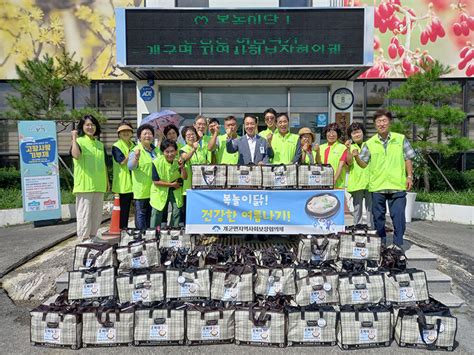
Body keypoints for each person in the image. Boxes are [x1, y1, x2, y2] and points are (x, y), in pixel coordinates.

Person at [352, 109, 415, 248]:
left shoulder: (400, 139)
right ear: (375, 125)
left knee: (398, 217)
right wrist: (356, 157)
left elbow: (408, 158)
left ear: (389, 122)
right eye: (378, 121)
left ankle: (398, 244)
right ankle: (381, 243)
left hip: (397, 184)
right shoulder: (370, 143)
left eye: (384, 121)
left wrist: (409, 176)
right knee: (378, 218)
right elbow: (363, 164)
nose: (381, 124)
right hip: (378, 186)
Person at [71, 115, 108, 241]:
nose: (90, 127)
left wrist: (107, 182)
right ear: (82, 126)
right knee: (84, 213)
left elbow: (103, 164)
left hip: (99, 184)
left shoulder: (99, 144)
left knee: (96, 214)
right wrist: (74, 138)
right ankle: (84, 237)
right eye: (87, 124)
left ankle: (93, 235)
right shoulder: (79, 141)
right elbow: (75, 155)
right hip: (85, 185)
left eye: (92, 124)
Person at [128, 124, 160, 231]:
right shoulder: (136, 150)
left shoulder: (155, 151)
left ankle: (149, 238)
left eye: (150, 133)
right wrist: (136, 158)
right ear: (139, 137)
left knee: (150, 215)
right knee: (141, 214)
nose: (148, 136)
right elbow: (130, 166)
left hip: (154, 189)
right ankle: (141, 237)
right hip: (141, 190)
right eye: (145, 133)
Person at [150, 139, 187, 228]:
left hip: (175, 190)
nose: (170, 154)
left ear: (176, 151)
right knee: (157, 212)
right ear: (163, 152)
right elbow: (155, 181)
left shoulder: (178, 161)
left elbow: (185, 177)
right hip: (160, 190)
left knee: (176, 211)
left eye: (172, 151)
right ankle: (154, 233)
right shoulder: (156, 162)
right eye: (167, 152)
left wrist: (182, 168)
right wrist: (171, 185)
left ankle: (174, 232)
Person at [345, 122, 373, 228]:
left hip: (370, 181)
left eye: (358, 132)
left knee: (370, 207)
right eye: (353, 133)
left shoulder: (370, 145)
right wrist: (348, 149)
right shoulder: (350, 147)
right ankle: (357, 227)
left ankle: (371, 227)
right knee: (357, 207)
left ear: (363, 132)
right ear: (350, 136)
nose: (356, 135)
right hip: (356, 181)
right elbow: (349, 162)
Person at [180, 126, 209, 221]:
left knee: (200, 211)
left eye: (192, 134)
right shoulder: (183, 149)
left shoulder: (201, 149)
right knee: (189, 213)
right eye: (187, 135)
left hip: (202, 186)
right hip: (189, 186)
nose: (191, 136)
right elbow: (185, 158)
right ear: (184, 138)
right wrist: (193, 149)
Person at [111, 122, 135, 230]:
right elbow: (121, 162)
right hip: (123, 183)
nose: (125, 133)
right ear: (119, 134)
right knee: (124, 209)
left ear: (131, 133)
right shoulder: (116, 146)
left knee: (137, 209)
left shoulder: (134, 144)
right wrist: (132, 154)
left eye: (128, 131)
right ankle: (123, 230)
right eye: (122, 131)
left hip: (135, 182)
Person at [316, 123, 348, 189]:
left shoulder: (342, 147)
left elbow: (341, 165)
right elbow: (318, 162)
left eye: (334, 132)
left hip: (337, 184)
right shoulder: (321, 147)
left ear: (338, 134)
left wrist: (334, 180)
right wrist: (317, 152)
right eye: (329, 132)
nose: (331, 135)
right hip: (321, 183)